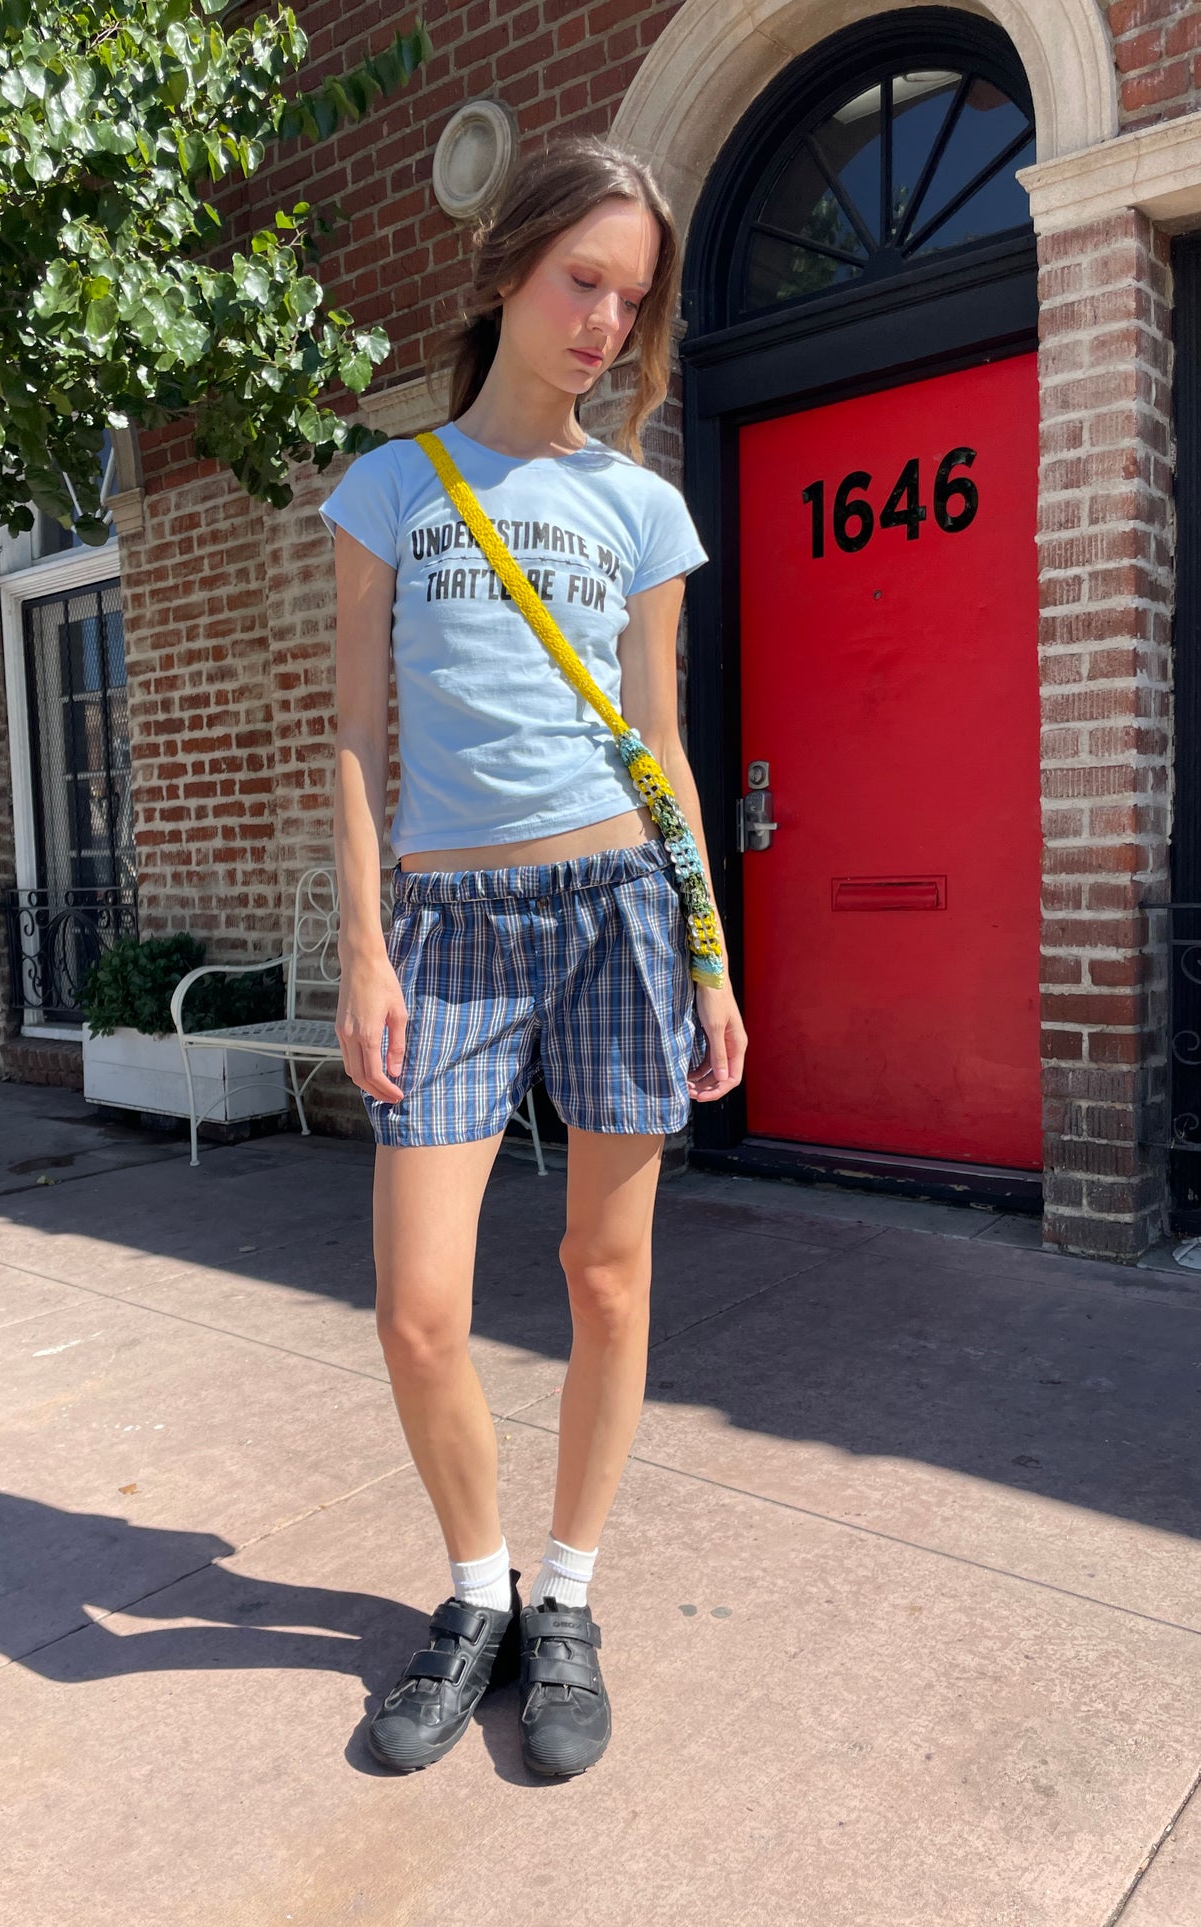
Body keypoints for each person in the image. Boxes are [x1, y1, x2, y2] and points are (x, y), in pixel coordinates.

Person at [319, 133, 747, 1779]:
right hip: (446, 929)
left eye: (629, 305)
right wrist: (363, 947)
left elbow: (662, 743)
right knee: (418, 1310)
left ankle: (563, 1598)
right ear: (507, 266)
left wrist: (707, 954)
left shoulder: (640, 504)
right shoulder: (392, 489)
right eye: (583, 283)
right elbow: (355, 733)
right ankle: (475, 1592)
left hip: (621, 911)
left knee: (602, 1277)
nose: (603, 329)